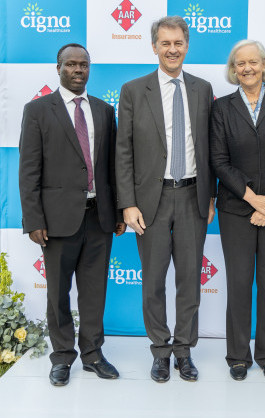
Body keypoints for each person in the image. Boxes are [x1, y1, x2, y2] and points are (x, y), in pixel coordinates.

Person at [115, 16, 215, 383]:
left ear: (187, 46)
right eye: (165, 43)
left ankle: (184, 350)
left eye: (178, 43)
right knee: (153, 281)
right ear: (154, 46)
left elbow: (210, 148)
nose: (172, 50)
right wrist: (128, 203)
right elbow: (123, 151)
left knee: (189, 281)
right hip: (149, 203)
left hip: (192, 196)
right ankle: (160, 350)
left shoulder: (203, 89)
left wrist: (211, 195)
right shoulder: (133, 90)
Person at [19, 43, 125, 386]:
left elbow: (113, 166)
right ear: (59, 68)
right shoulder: (37, 110)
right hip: (56, 220)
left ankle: (93, 354)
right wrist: (34, 219)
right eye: (71, 64)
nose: (78, 70)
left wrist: (119, 210)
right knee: (58, 294)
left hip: (99, 217)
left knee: (94, 292)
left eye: (84, 65)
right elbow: (29, 170)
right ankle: (62, 357)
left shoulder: (104, 110)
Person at [210, 40, 265, 381]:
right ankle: (237, 356)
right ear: (233, 70)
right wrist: (253, 199)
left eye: (253, 62)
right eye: (240, 63)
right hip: (236, 209)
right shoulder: (222, 107)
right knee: (239, 283)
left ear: (264, 65)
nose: (247, 68)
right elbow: (219, 161)